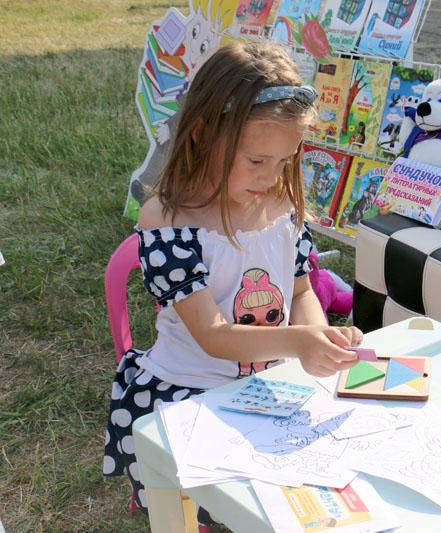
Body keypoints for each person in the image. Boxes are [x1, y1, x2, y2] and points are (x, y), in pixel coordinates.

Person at [104, 40, 362, 521]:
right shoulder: (168, 220)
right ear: (204, 134)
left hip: (270, 385)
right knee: (237, 503)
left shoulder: (282, 204)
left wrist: (318, 337)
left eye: (284, 161)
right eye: (257, 161)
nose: (271, 177)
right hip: (190, 393)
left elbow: (301, 289)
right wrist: (298, 342)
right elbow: (213, 336)